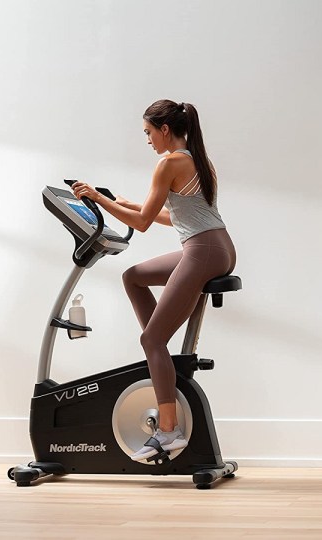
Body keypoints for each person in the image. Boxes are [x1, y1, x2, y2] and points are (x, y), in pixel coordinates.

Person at [70, 99, 236, 461]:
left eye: (148, 132)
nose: (147, 140)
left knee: (151, 338)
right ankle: (159, 356)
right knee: (134, 277)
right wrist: (126, 204)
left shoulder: (168, 162)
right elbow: (171, 217)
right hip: (215, 246)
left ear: (164, 129)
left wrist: (97, 197)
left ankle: (168, 430)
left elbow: (143, 225)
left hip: (203, 250)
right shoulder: (196, 159)